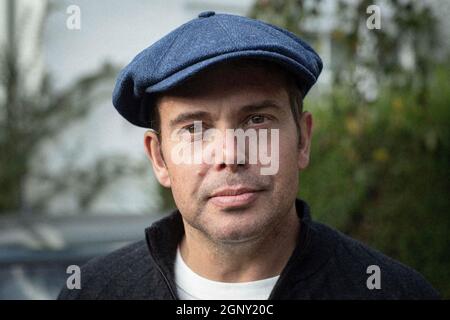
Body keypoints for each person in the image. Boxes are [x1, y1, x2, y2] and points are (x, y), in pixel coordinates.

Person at [58, 11, 439, 300]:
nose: (231, 155)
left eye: (257, 120)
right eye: (194, 128)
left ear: (302, 141)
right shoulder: (96, 292)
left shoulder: (392, 292)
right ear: (159, 159)